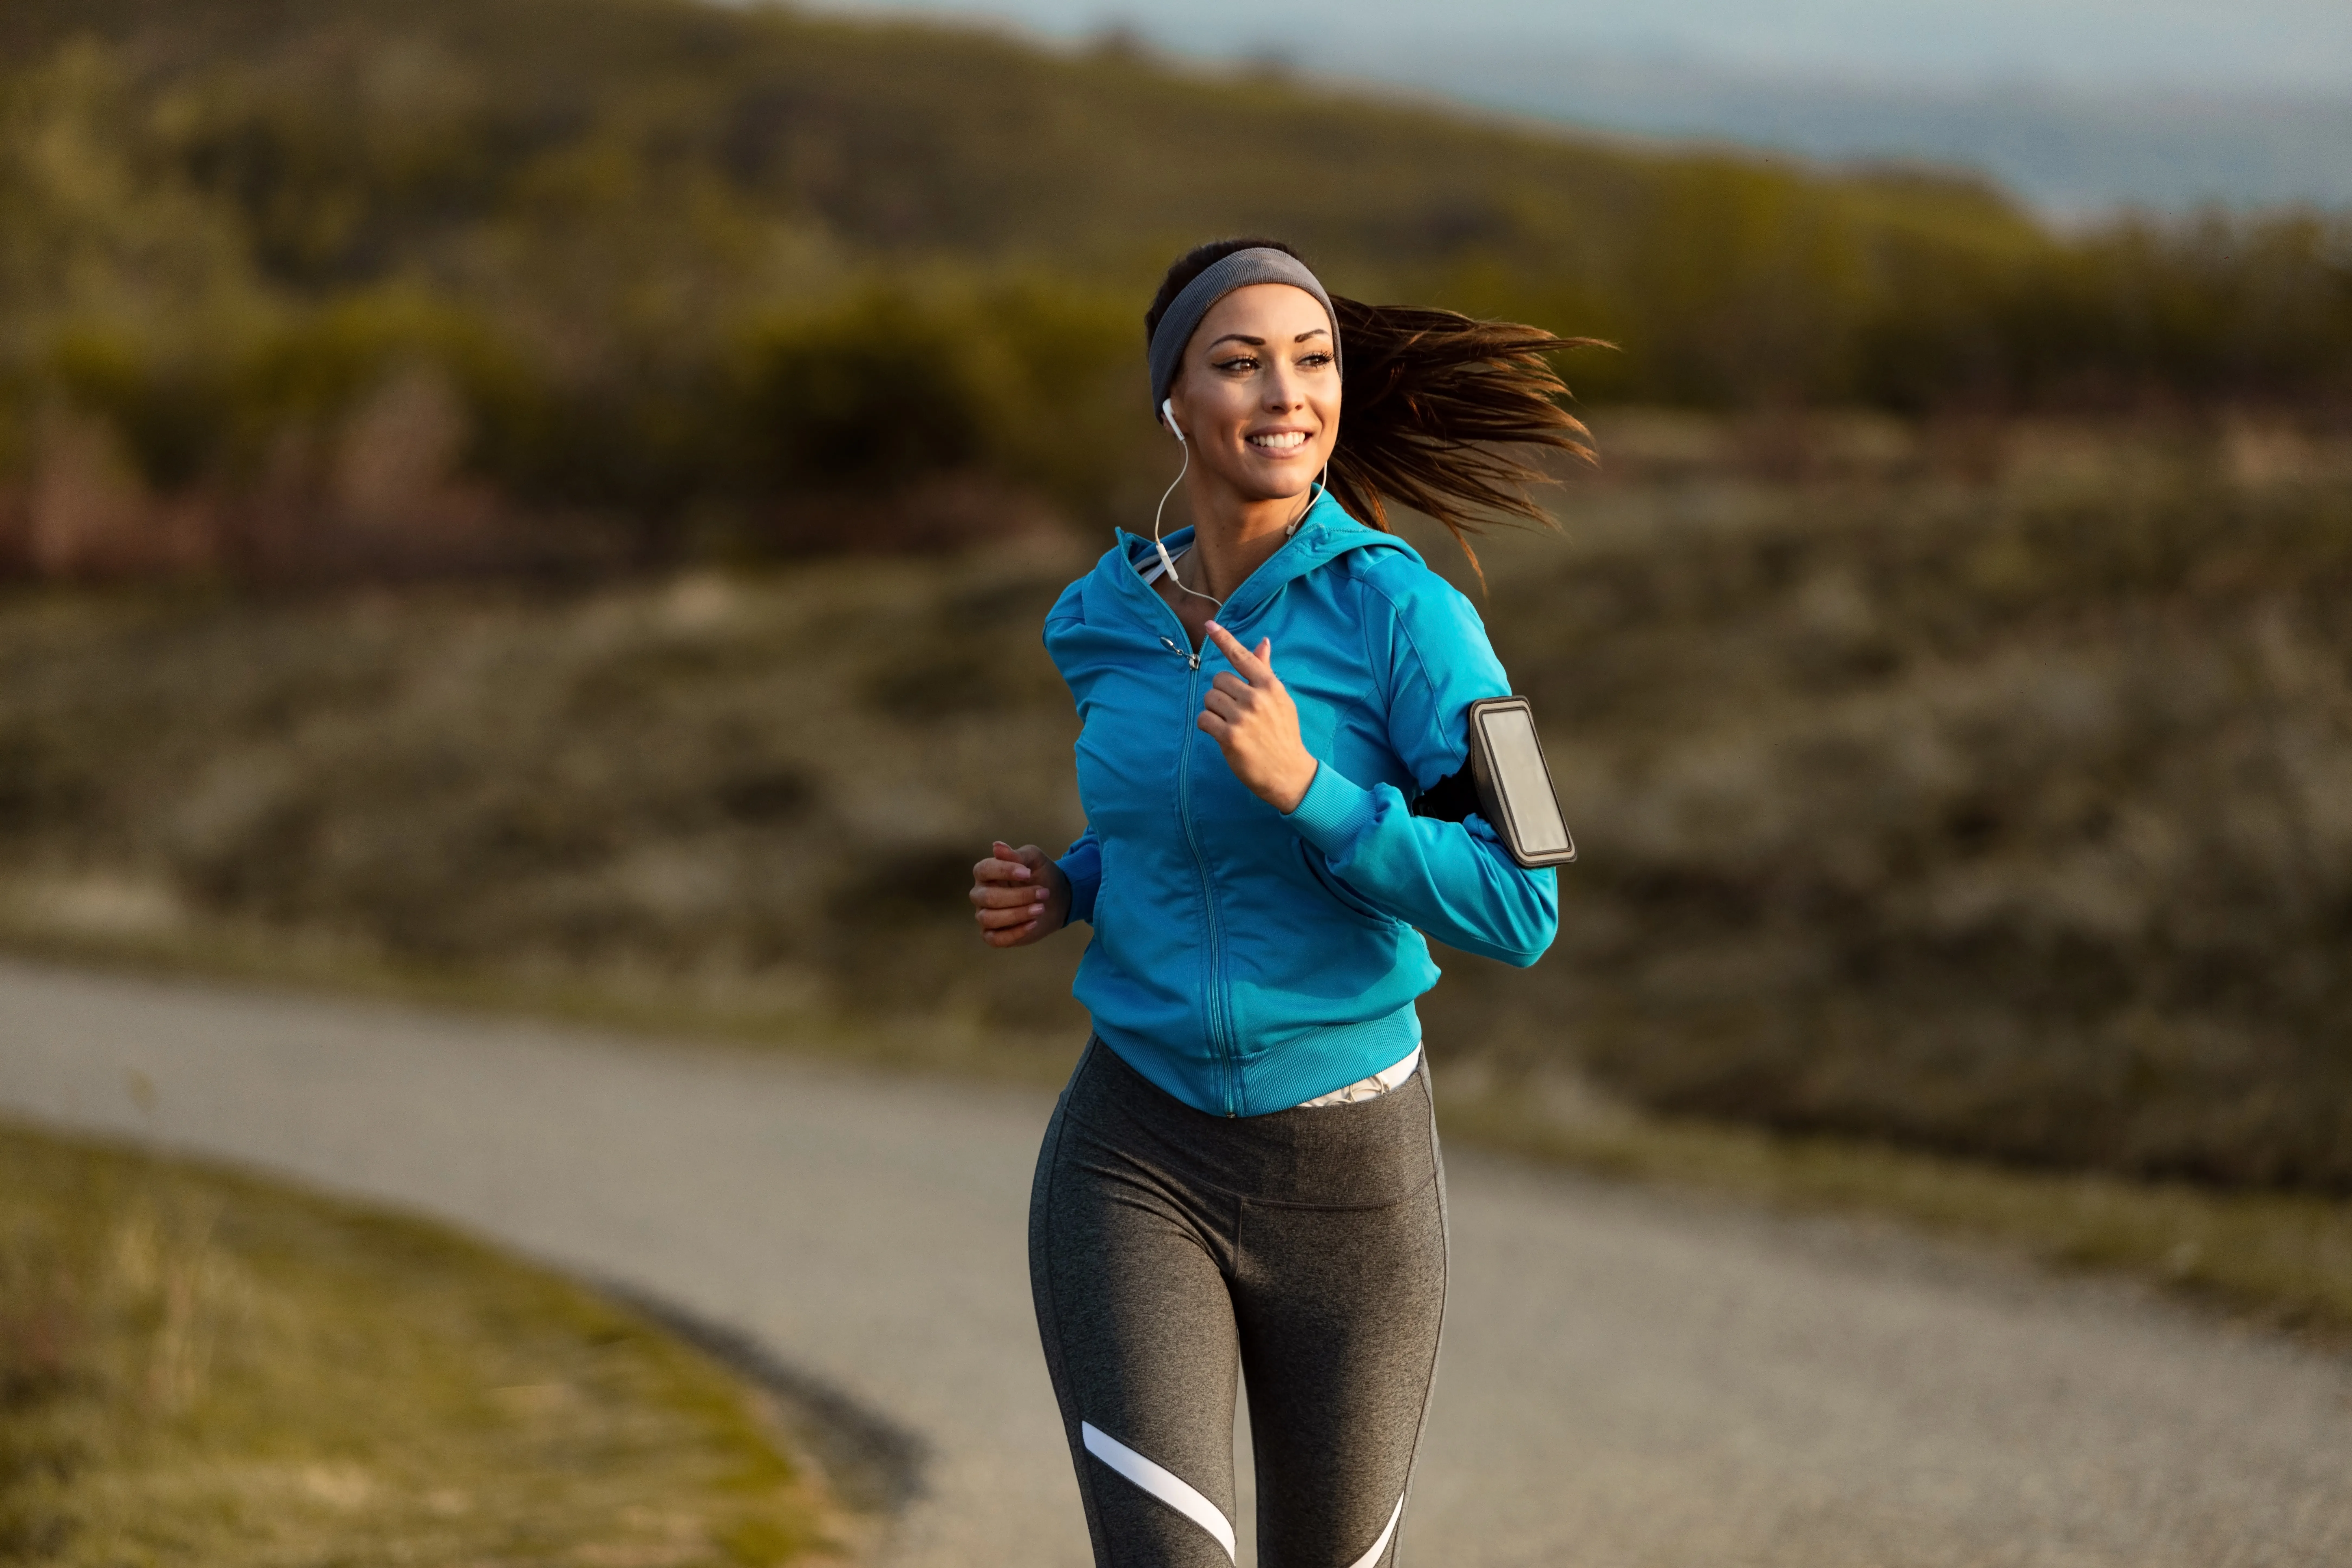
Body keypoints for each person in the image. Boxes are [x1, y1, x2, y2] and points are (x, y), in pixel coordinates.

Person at [968, 237, 1594, 1567]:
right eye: (1239, 363)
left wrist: (1311, 786)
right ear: (1174, 404)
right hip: (1135, 1155)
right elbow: (1170, 824)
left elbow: (1525, 900)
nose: (1285, 394)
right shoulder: (1100, 617)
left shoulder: (1415, 620)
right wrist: (1070, 883)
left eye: (1312, 362)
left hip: (1352, 1188)